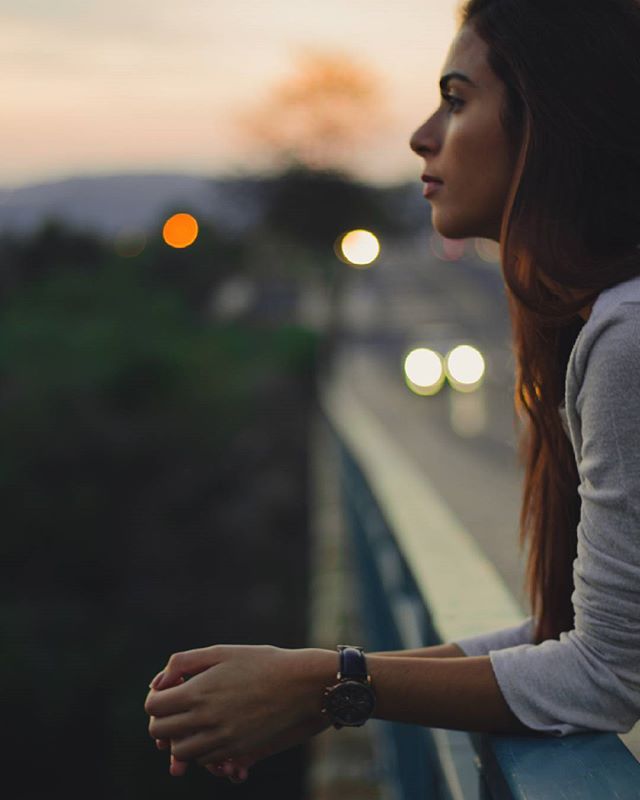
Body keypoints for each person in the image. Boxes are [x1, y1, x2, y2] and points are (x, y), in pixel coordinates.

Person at [144, 0, 640, 783]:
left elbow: (603, 675)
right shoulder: (603, 321)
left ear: (550, 122)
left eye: (456, 98)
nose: (422, 136)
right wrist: (325, 683)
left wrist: (334, 682)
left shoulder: (627, 335)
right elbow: (574, 635)